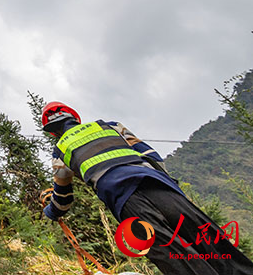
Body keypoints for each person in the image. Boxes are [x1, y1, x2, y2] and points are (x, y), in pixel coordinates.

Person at [40, 101, 253, 275]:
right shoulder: (110, 125)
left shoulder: (60, 150)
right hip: (157, 183)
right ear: (75, 117)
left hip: (124, 200)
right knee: (208, 239)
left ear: (52, 133)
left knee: (171, 253)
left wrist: (49, 209)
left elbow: (63, 199)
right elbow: (150, 155)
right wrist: (170, 185)